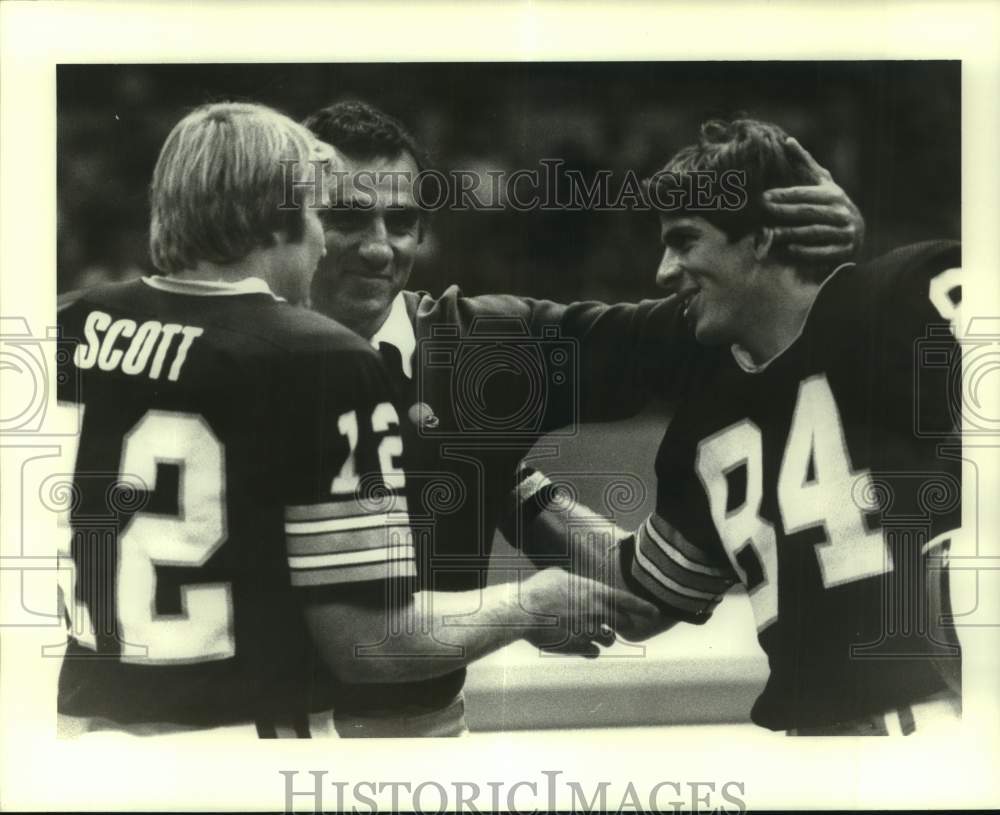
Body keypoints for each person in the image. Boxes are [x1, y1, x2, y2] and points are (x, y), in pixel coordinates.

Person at [54, 101, 631, 739]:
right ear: (274, 216)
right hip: (248, 745)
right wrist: (532, 603)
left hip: (90, 743)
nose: (332, 240)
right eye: (322, 213)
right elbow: (373, 638)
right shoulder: (317, 357)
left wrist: (514, 485)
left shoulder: (74, 323)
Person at [301, 100, 867, 736]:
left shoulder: (481, 350)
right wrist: (519, 603)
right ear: (291, 220)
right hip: (249, 746)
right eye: (348, 216)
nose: (380, 246)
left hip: (424, 737)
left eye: (401, 220)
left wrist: (810, 252)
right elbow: (357, 636)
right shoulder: (232, 351)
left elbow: (726, 315)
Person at [576, 117, 961, 734]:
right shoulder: (709, 414)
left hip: (946, 726)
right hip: (815, 746)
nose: (664, 271)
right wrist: (521, 493)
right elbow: (644, 596)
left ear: (759, 239)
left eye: (684, 241)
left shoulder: (907, 296)